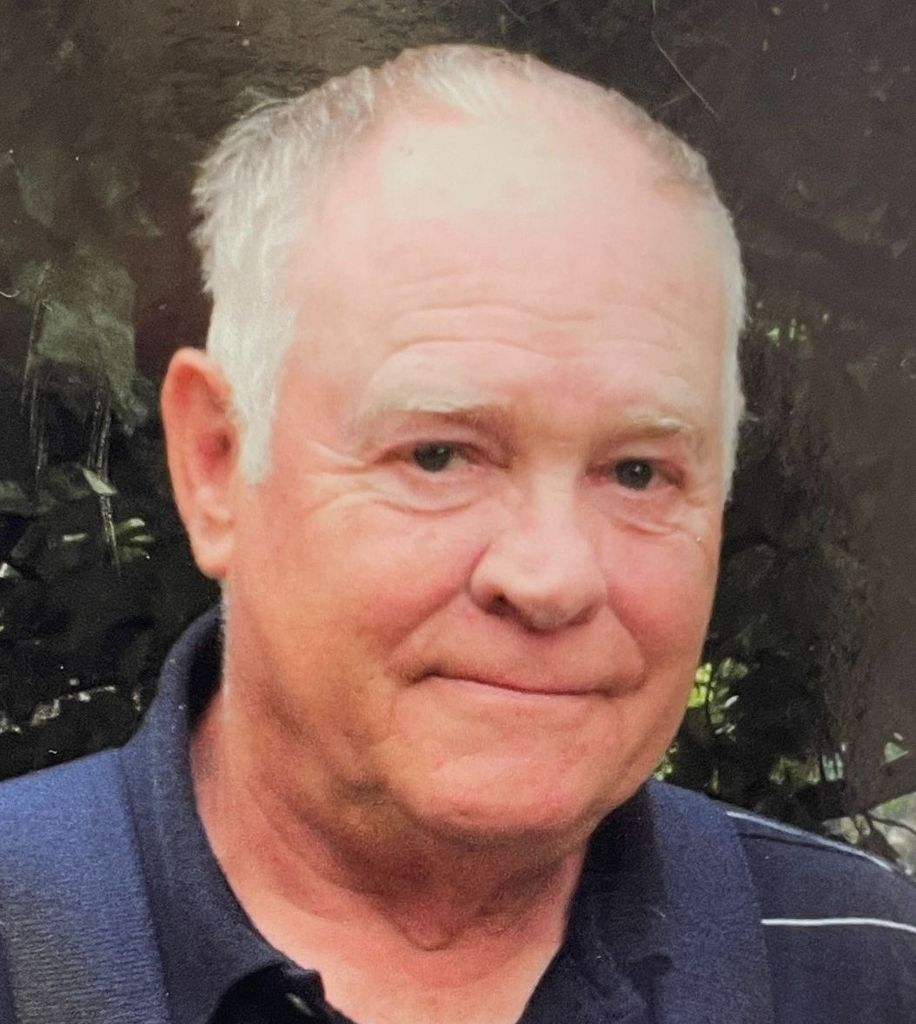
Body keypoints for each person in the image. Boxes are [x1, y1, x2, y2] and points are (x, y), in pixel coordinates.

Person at [0, 43, 913, 1024]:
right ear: (218, 464)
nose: (552, 576)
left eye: (638, 472)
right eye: (438, 455)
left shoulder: (857, 964)